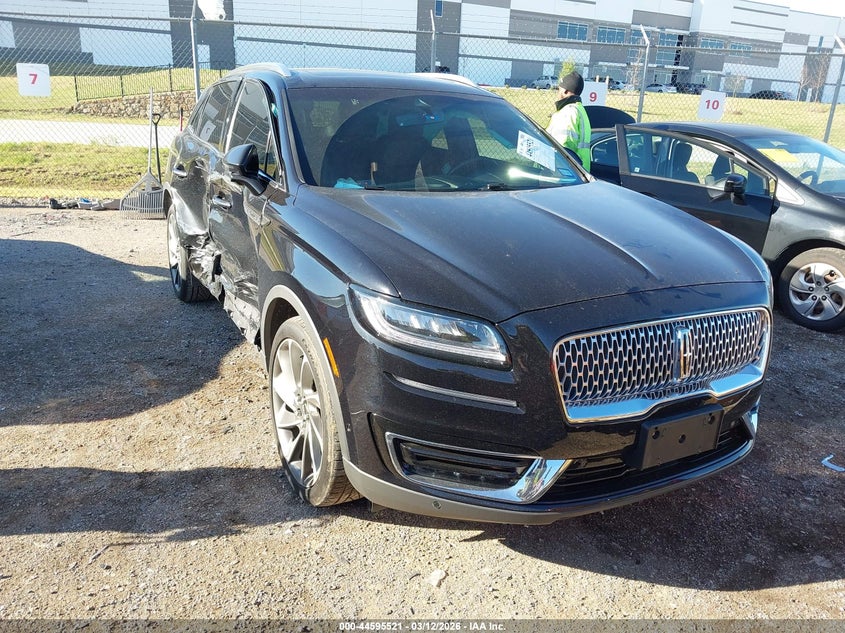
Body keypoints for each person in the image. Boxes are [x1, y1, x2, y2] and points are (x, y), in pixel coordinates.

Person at [546, 71, 592, 171]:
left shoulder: (569, 112)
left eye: (559, 89)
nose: (558, 93)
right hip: (579, 171)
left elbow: (563, 147)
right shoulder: (579, 109)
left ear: (566, 91)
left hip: (564, 173)